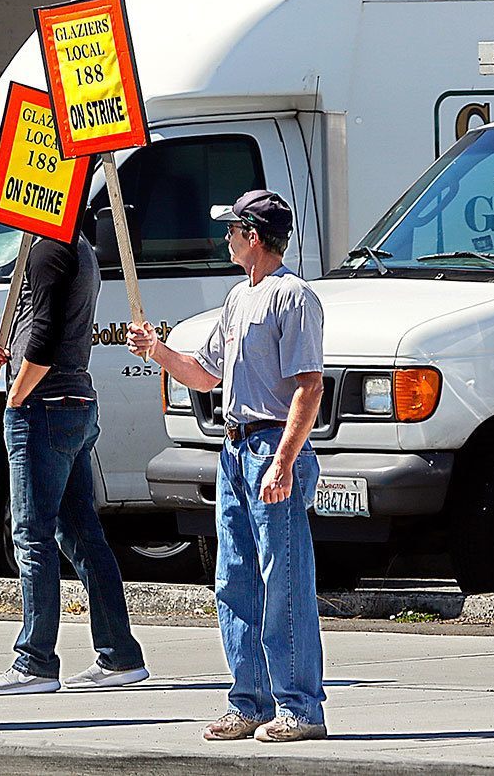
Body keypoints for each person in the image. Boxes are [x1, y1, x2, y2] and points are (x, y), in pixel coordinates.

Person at [127, 189, 328, 743]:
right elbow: (206, 374)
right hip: (235, 449)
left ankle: (302, 709)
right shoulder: (239, 298)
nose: (227, 239)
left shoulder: (294, 298)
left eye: (234, 230)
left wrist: (284, 462)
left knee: (282, 582)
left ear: (255, 237)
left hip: (271, 449)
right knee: (234, 579)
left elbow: (309, 388)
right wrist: (159, 352)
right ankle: (250, 701)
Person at [0, 232, 148, 695]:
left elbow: (48, 334)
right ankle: (120, 656)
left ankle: (34, 662)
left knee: (32, 535)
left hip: (45, 405)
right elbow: (46, 324)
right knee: (80, 532)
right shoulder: (77, 245)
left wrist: (16, 393)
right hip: (73, 399)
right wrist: (11, 350)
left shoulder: (49, 246)